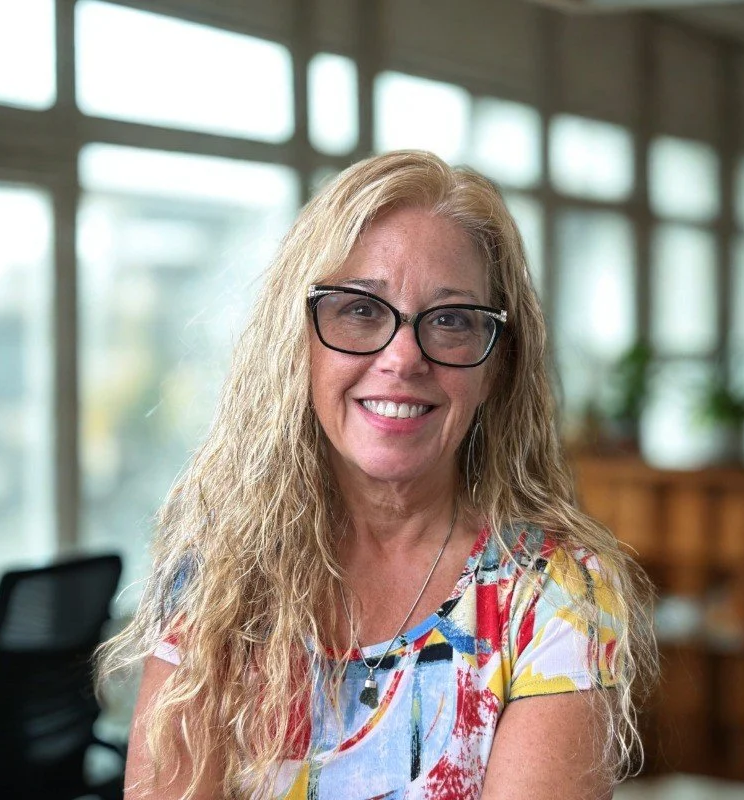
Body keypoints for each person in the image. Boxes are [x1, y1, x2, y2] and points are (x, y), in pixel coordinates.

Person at [98, 150, 656, 800]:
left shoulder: (554, 599)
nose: (402, 358)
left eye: (450, 321)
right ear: (297, 339)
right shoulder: (219, 577)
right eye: (361, 310)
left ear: (495, 365)